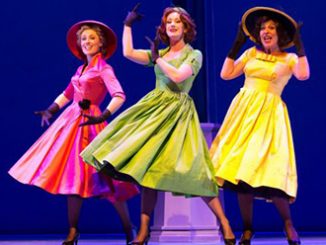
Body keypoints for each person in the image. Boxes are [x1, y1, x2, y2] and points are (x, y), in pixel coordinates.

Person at [81, 4, 236, 245]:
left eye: (177, 21)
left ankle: (224, 223)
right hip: (154, 113)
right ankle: (143, 232)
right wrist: (127, 26)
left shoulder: (194, 54)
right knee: (147, 172)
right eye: (168, 22)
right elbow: (129, 53)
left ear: (185, 27)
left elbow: (177, 77)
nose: (172, 25)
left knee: (197, 172)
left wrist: (157, 59)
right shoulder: (160, 53)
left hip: (178, 115)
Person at [8, 20, 139, 245]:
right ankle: (73, 231)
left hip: (92, 124)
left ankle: (129, 229)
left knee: (109, 181)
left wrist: (104, 115)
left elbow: (119, 95)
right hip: (71, 124)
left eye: (91, 38)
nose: (86, 42)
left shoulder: (104, 68)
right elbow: (68, 92)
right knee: (73, 177)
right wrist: (51, 109)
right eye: (83, 39)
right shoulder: (81, 68)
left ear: (101, 43)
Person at [209, 6, 310, 245]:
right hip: (243, 116)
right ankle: (247, 229)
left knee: (270, 174)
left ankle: (287, 224)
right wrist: (236, 45)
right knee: (241, 175)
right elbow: (226, 74)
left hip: (269, 118)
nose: (266, 31)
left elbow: (304, 75)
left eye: (271, 28)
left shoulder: (289, 58)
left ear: (281, 34)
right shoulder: (250, 54)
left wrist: (300, 45)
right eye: (263, 28)